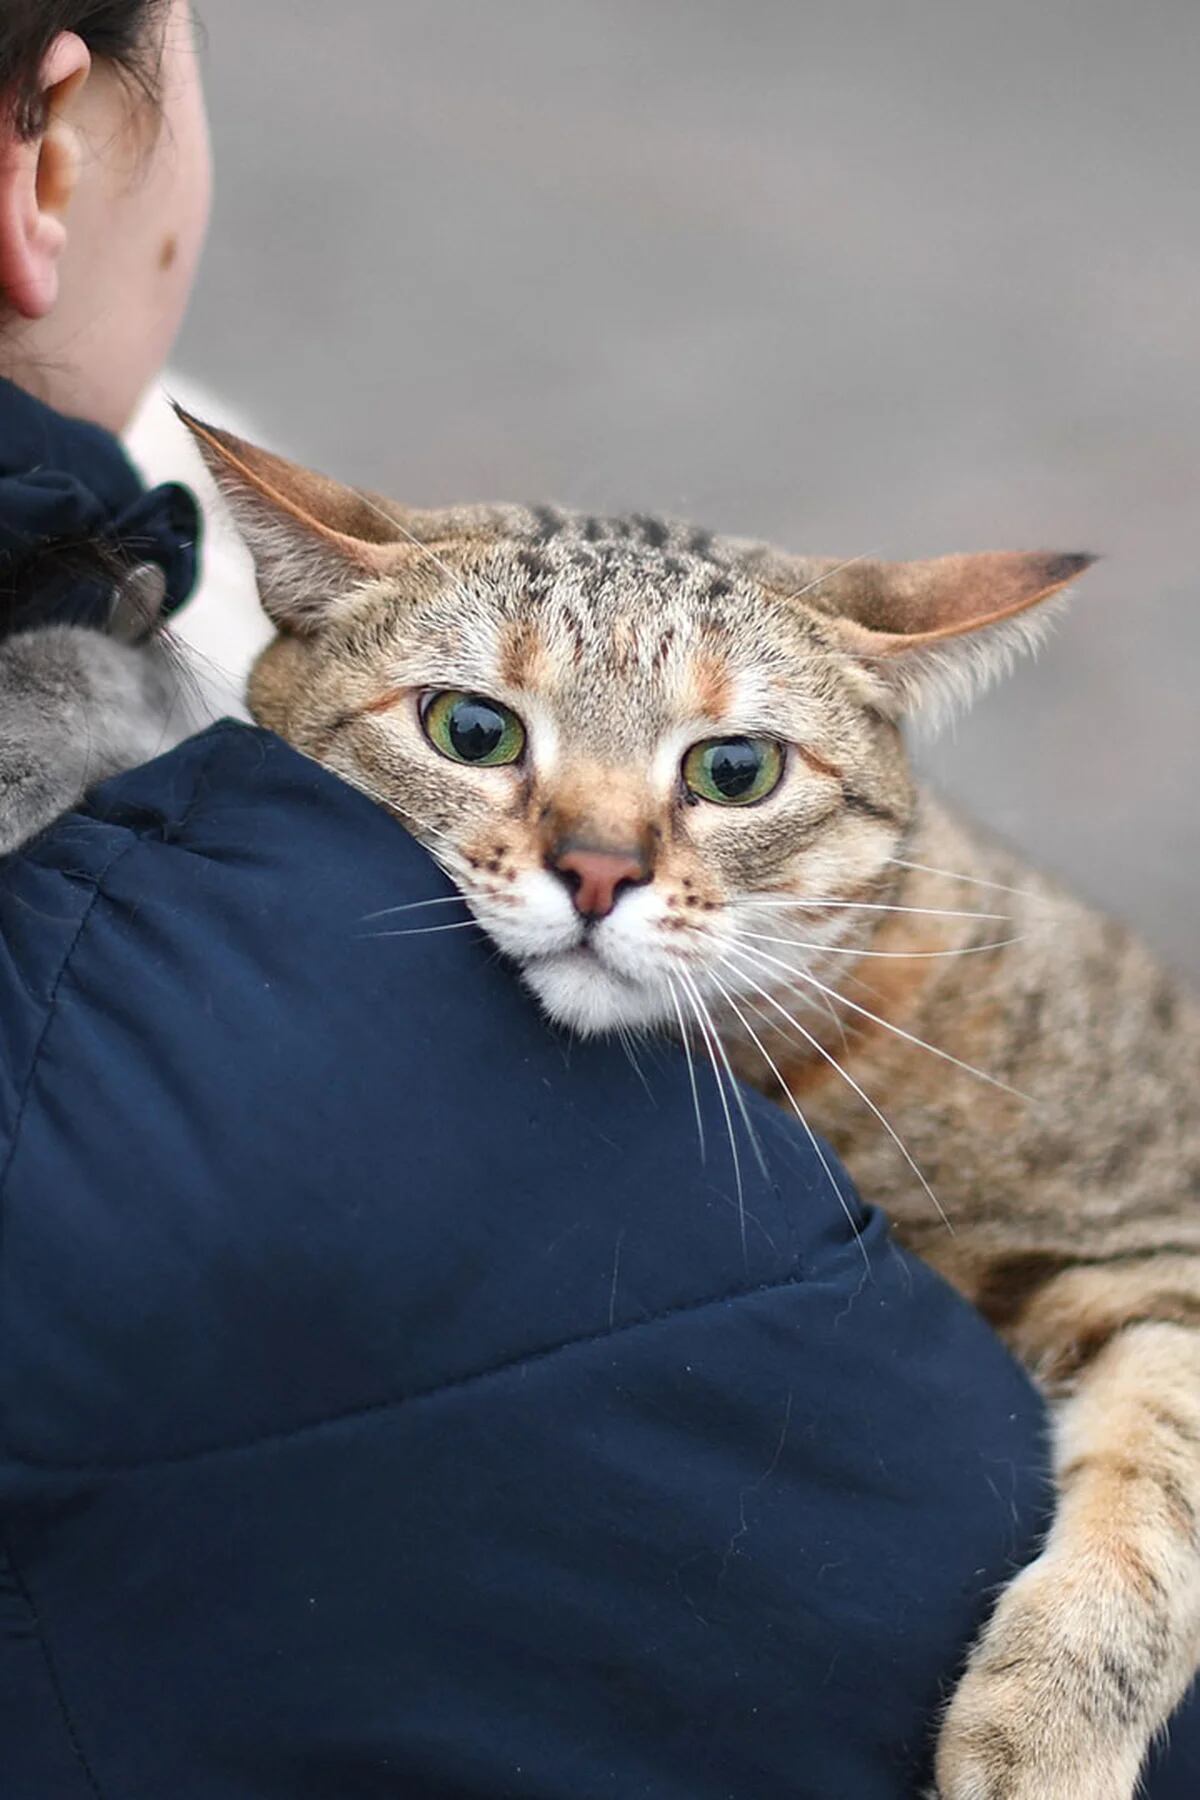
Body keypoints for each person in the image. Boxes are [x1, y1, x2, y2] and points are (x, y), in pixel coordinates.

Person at [0, 7, 1196, 1797]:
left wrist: (1101, 1645)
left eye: (731, 776)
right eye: (480, 735)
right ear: (52, 154)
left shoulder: (973, 1012)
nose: (603, 866)